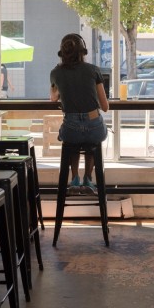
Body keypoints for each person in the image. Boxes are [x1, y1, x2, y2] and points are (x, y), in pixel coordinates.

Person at [50, 33, 109, 195]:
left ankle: (75, 178)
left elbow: (53, 99)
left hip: (71, 127)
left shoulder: (56, 72)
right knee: (92, 140)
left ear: (63, 53)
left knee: (73, 143)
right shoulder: (93, 70)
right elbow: (105, 107)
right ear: (83, 52)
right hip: (93, 124)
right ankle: (88, 179)